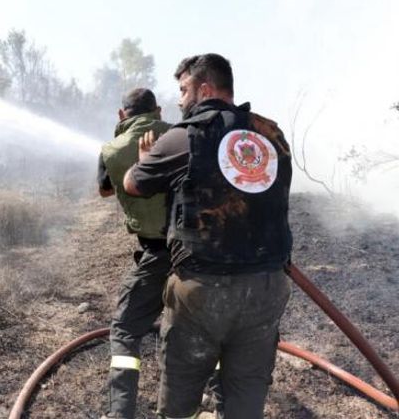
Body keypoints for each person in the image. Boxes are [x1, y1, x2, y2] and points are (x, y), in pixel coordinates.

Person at [123, 54, 293, 419]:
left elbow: (133, 185)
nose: (181, 101)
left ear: (205, 89)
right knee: (245, 398)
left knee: (180, 398)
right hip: (267, 288)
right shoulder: (271, 135)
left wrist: (145, 158)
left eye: (184, 90)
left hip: (202, 291)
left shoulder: (185, 137)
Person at [97, 88, 172, 419]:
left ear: (120, 115)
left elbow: (104, 190)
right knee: (200, 328)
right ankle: (213, 404)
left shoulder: (110, 150)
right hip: (203, 254)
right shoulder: (182, 134)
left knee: (125, 330)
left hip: (159, 253)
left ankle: (121, 413)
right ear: (158, 110)